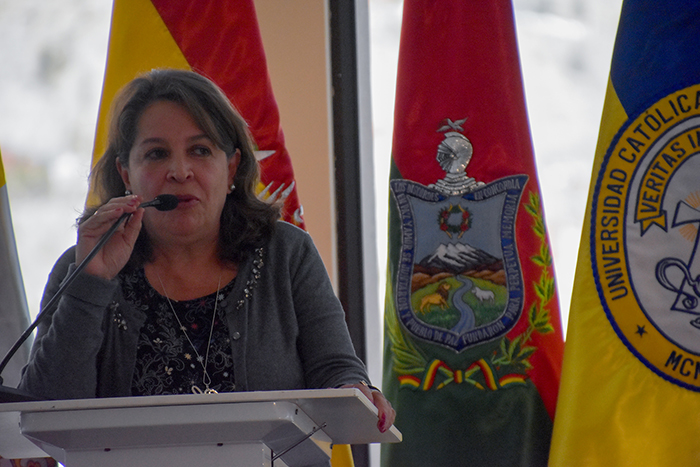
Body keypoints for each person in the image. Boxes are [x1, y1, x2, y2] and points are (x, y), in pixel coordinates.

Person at [19, 68, 395, 435]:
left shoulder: (285, 253)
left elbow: (336, 371)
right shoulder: (82, 267)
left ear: (231, 168)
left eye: (200, 150)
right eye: (156, 154)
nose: (180, 171)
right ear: (126, 174)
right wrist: (90, 284)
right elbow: (42, 416)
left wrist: (354, 389)